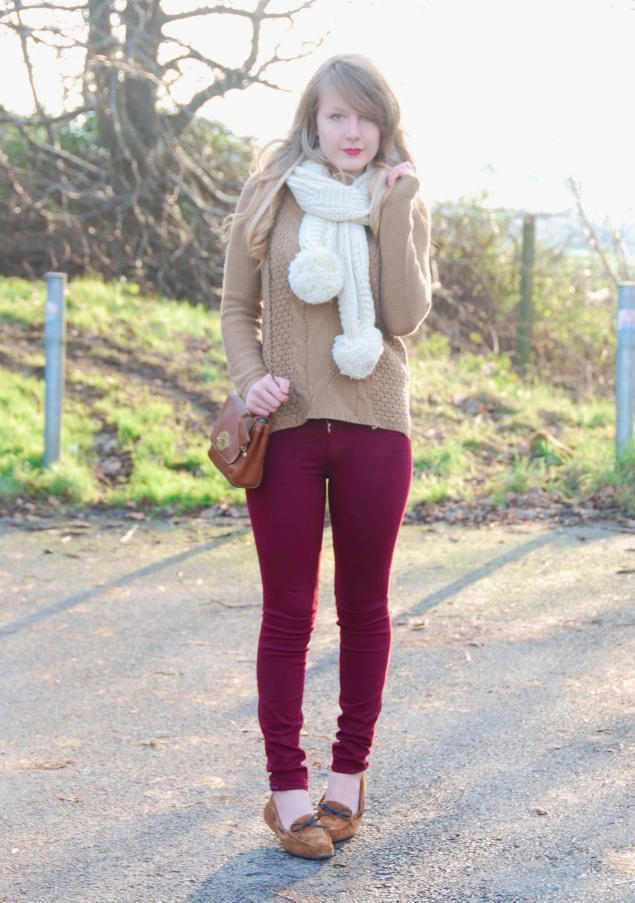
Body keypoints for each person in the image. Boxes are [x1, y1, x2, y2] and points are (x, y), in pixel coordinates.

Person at [220, 53, 431, 859]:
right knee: (287, 613)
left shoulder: (398, 194)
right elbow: (239, 307)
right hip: (292, 428)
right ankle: (287, 789)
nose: (352, 131)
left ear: (383, 126)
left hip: (377, 425)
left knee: (365, 608)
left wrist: (401, 211)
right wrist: (251, 382)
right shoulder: (268, 192)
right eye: (337, 115)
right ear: (312, 121)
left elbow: (404, 317)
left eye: (366, 117)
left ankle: (348, 777)